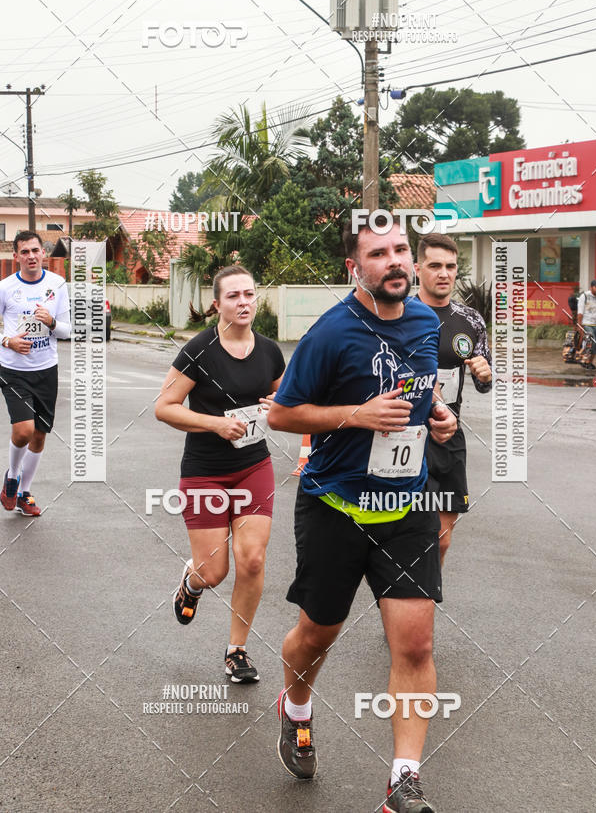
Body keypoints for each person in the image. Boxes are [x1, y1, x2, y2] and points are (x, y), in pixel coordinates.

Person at [268, 216, 457, 813]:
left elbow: (419, 391)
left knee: (416, 645)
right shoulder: (330, 333)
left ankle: (404, 781)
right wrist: (356, 415)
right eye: (378, 254)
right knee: (317, 633)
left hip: (406, 506)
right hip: (335, 506)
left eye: (401, 249)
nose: (394, 261)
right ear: (355, 268)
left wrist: (438, 416)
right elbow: (281, 414)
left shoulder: (426, 320)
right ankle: (296, 705)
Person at [155, 265, 285, 683]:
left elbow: (284, 399)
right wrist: (215, 424)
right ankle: (192, 583)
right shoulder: (199, 349)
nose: (243, 302)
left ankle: (237, 650)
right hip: (205, 472)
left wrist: (278, 405)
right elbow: (164, 407)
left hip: (253, 466)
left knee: (253, 559)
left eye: (249, 294)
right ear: (217, 304)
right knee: (214, 572)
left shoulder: (270, 351)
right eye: (233, 296)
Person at [414, 233, 492, 564]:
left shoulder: (470, 319)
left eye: (450, 266)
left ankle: (426, 593)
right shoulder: (401, 314)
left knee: (441, 541)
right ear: (417, 269)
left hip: (448, 437)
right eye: (435, 266)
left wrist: (485, 374)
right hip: (404, 434)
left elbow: (484, 383)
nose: (444, 273)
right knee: (409, 535)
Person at [0, 231, 70, 516]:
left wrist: (51, 321)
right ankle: (12, 476)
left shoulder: (57, 285)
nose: (31, 256)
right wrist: (8, 341)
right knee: (24, 430)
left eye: (35, 250)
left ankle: (24, 494)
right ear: (16, 256)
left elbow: (66, 330)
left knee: (39, 437)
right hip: (13, 370)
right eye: (24, 252)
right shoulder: (5, 287)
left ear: (43, 253)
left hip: (46, 370)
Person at [576, 279, 596, 370]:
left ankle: (589, 362)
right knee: (591, 342)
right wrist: (579, 326)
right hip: (587, 324)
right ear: (591, 287)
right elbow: (580, 312)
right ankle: (584, 360)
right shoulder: (585, 296)